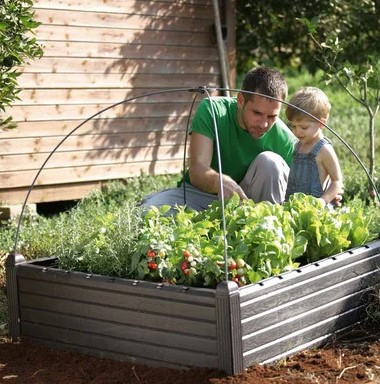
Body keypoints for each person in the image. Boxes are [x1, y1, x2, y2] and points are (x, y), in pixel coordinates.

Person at [141, 67, 297, 213]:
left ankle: (262, 232)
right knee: (147, 212)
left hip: (252, 205)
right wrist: (222, 182)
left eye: (272, 116)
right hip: (204, 195)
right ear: (241, 100)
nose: (264, 124)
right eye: (257, 113)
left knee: (271, 162)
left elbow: (302, 189)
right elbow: (198, 171)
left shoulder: (284, 138)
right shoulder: (213, 110)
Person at [284, 86, 343, 206]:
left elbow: (337, 181)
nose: (297, 132)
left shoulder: (324, 149)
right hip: (293, 206)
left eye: (303, 127)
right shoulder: (298, 146)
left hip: (316, 210)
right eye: (293, 126)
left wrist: (323, 200)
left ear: (321, 123)